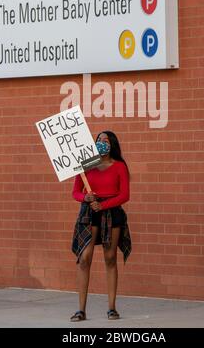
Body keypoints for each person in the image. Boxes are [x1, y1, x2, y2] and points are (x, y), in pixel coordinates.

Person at [70, 131, 132, 321]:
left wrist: (103, 205)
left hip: (111, 213)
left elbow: (124, 195)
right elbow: (75, 192)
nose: (102, 143)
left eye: (105, 141)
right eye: (99, 140)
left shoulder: (119, 166)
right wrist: (85, 197)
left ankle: (111, 308)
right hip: (89, 213)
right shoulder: (86, 165)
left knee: (110, 257)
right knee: (84, 259)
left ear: (112, 144)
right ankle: (81, 310)